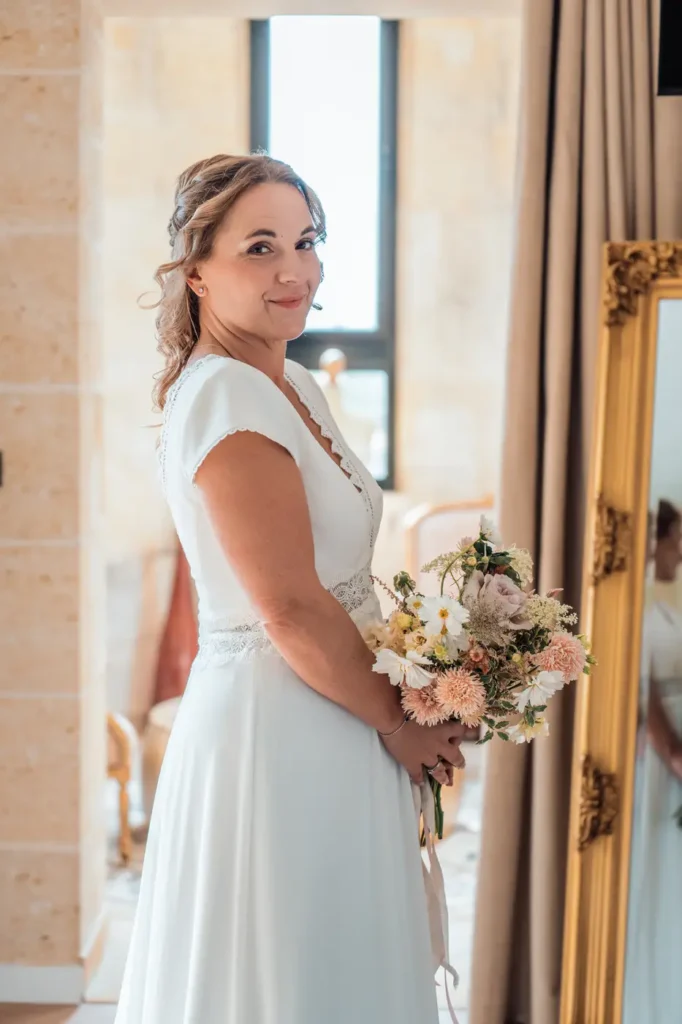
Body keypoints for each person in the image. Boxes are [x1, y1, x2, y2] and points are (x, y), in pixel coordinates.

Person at [114, 153, 466, 1024]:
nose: (294, 270)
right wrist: (398, 722)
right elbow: (289, 605)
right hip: (278, 733)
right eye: (260, 247)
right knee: (288, 972)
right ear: (196, 273)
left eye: (305, 242)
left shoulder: (289, 379)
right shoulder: (227, 395)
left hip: (329, 710)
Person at [623, 499, 682, 1024]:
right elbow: (645, 699)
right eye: (677, 539)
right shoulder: (630, 610)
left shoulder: (656, 605)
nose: (680, 552)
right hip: (661, 765)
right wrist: (675, 754)